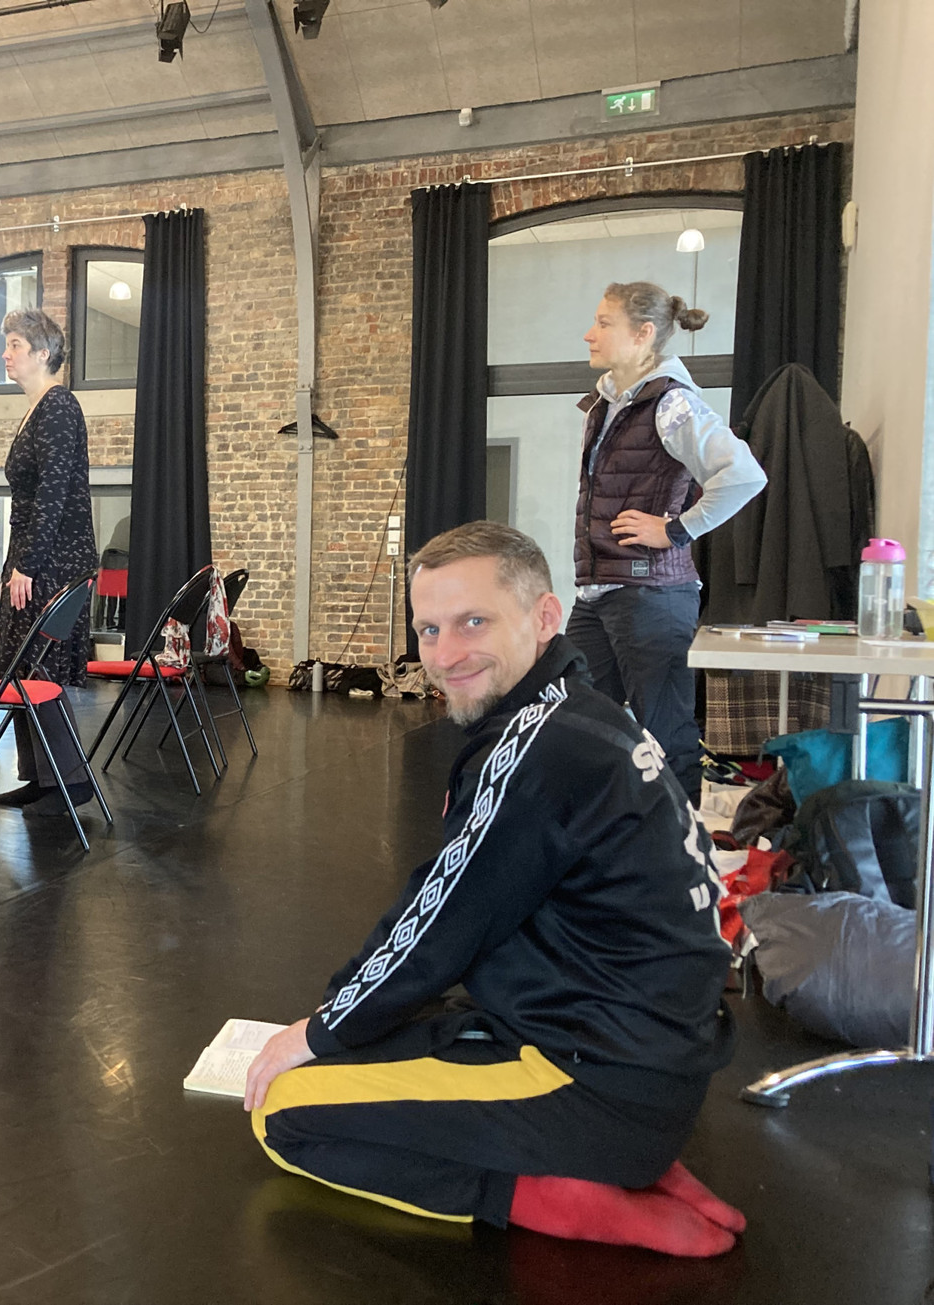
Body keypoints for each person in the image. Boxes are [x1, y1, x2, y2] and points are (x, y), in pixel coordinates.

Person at [244, 521, 743, 1258]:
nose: (445, 654)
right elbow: (446, 897)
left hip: (597, 1083)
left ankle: (556, 1194)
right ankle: (630, 1165)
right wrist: (340, 1014)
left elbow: (438, 925)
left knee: (283, 1112)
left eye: (473, 621)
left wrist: (314, 1031)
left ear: (544, 617)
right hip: (645, 1069)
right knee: (365, 1033)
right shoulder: (582, 714)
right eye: (429, 629)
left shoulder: (539, 749)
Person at [570, 282, 766, 797]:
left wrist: (675, 530)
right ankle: (609, 833)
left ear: (643, 334)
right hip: (598, 591)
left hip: (650, 594)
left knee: (666, 729)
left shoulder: (671, 404)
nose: (589, 334)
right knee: (577, 718)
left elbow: (744, 474)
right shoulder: (607, 404)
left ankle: (683, 850)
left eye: (603, 323)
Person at [0, 309, 99, 814]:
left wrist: (27, 565)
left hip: (50, 559)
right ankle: (38, 777)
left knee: (37, 667)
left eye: (14, 344)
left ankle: (69, 781)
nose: (6, 354)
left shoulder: (58, 406)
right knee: (19, 664)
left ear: (42, 353)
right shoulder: (37, 409)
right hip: (34, 553)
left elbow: (53, 493)